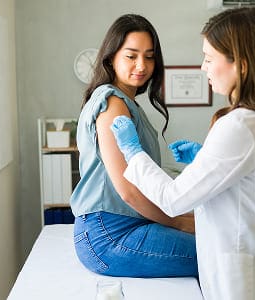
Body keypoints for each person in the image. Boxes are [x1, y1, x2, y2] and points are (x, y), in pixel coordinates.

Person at [110, 7, 255, 300]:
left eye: (209, 58)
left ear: (241, 65)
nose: (203, 67)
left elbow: (173, 198)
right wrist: (204, 160)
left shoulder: (240, 125)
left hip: (250, 279)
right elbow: (247, 181)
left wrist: (133, 152)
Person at [70, 14, 198, 278]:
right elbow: (128, 191)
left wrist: (186, 215)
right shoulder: (113, 104)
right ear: (111, 57)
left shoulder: (126, 103)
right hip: (108, 234)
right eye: (131, 56)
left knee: (212, 238)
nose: (142, 65)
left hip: (127, 225)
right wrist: (179, 223)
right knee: (215, 252)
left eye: (149, 56)